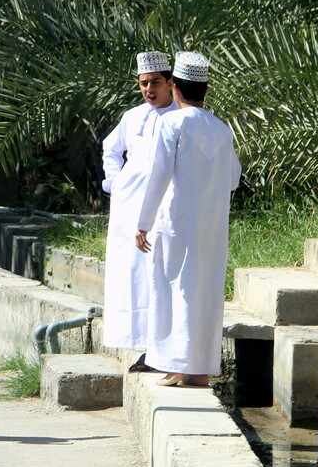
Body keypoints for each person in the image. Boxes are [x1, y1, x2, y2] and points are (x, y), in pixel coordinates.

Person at [134, 51, 241, 387]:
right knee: (204, 292)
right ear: (205, 91)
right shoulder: (222, 130)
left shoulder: (171, 123)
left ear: (175, 88)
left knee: (175, 290)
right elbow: (234, 178)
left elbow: (158, 174)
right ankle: (198, 370)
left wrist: (142, 222)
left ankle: (179, 366)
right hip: (212, 227)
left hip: (177, 224)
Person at [102, 50, 177, 372]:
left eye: (156, 83)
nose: (150, 90)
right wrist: (115, 182)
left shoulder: (181, 117)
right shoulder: (132, 117)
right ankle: (143, 346)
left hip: (163, 207)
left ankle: (161, 350)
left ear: (170, 83)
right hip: (127, 208)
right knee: (131, 276)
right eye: (144, 84)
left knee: (159, 274)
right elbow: (111, 149)